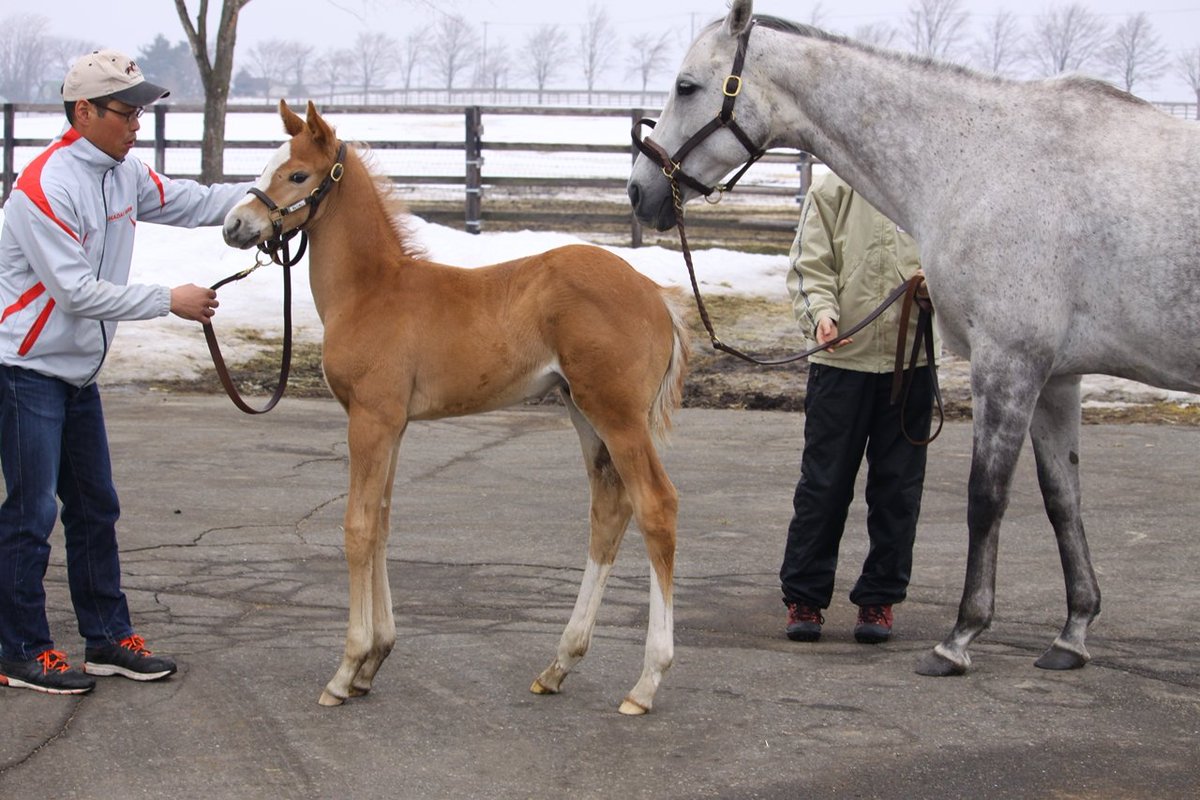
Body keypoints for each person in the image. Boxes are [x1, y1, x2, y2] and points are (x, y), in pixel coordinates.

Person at [0, 49, 249, 694]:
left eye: (141, 110)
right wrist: (171, 299)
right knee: (30, 514)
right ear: (84, 111)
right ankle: (19, 651)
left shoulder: (122, 171)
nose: (137, 122)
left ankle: (106, 640)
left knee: (94, 508)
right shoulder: (43, 187)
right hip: (24, 371)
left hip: (76, 373)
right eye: (126, 110)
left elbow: (190, 200)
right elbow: (77, 292)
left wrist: (271, 195)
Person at [779, 170, 938, 645]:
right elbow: (810, 261)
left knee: (898, 490)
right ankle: (804, 595)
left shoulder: (927, 185)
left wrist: (939, 287)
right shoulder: (833, 187)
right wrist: (821, 315)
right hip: (840, 361)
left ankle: (880, 597)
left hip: (910, 360)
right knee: (824, 484)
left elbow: (959, 258)